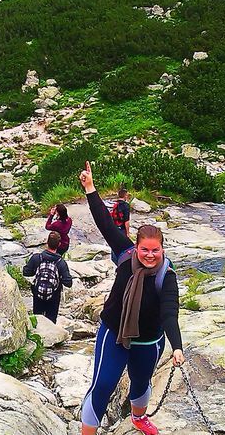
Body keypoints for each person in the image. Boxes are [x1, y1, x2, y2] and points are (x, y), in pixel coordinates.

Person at [79, 161, 182, 435]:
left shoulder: (166, 276)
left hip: (148, 340)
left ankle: (139, 418)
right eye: (145, 249)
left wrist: (178, 346)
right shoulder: (124, 254)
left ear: (162, 249)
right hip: (114, 333)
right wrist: (90, 188)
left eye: (155, 250)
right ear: (136, 247)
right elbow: (104, 222)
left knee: (140, 383)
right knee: (102, 385)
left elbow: (170, 312)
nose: (150, 255)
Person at [22, 231, 72, 324]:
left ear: (47, 243)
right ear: (59, 244)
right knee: (51, 321)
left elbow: (26, 272)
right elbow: (68, 283)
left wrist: (35, 270)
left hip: (38, 294)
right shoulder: (61, 263)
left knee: (37, 321)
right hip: (53, 296)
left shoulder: (36, 258)